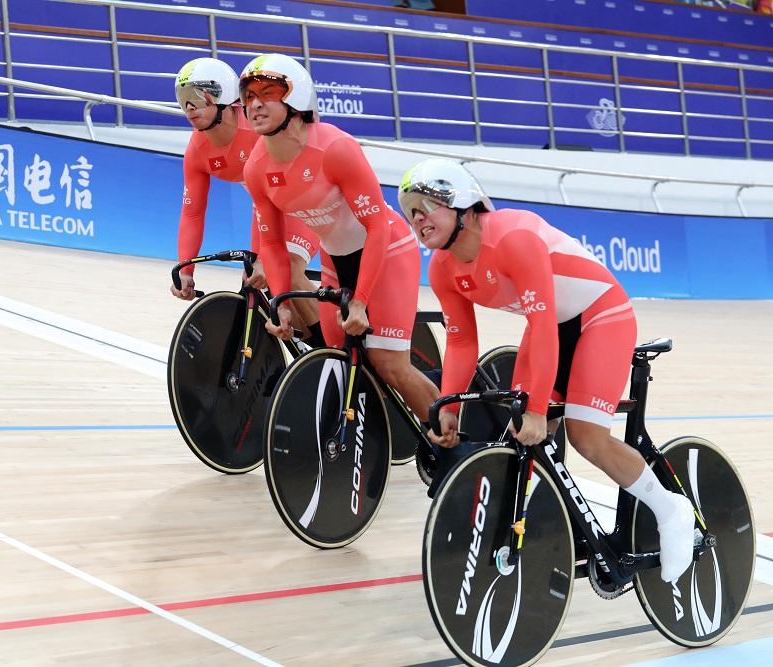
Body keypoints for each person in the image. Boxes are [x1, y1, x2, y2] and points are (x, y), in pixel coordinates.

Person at [399, 158, 695, 583]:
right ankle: (550, 527)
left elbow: (541, 324)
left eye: (426, 206)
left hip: (600, 317)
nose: (418, 219)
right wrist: (448, 406)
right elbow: (462, 341)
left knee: (585, 436)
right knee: (521, 437)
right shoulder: (443, 269)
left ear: (463, 204)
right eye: (410, 212)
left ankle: (671, 510)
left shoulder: (513, 238)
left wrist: (539, 408)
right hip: (551, 326)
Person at [239, 53, 440, 425]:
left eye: (267, 93)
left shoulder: (335, 149)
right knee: (338, 355)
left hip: (388, 250)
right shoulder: (256, 168)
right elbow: (271, 243)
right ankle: (378, 435)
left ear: (296, 100)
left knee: (388, 364)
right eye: (248, 95)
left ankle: (454, 442)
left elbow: (377, 226)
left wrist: (361, 301)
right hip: (335, 258)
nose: (254, 104)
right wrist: (282, 302)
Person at [171, 57, 322, 343]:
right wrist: (186, 269)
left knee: (285, 269)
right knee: (257, 282)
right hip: (269, 206)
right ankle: (309, 348)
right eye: (182, 100)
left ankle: (332, 349)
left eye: (196, 97)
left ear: (225, 96)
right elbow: (192, 214)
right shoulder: (196, 150)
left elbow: (268, 203)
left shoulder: (256, 131)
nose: (189, 108)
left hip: (306, 202)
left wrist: (265, 258)